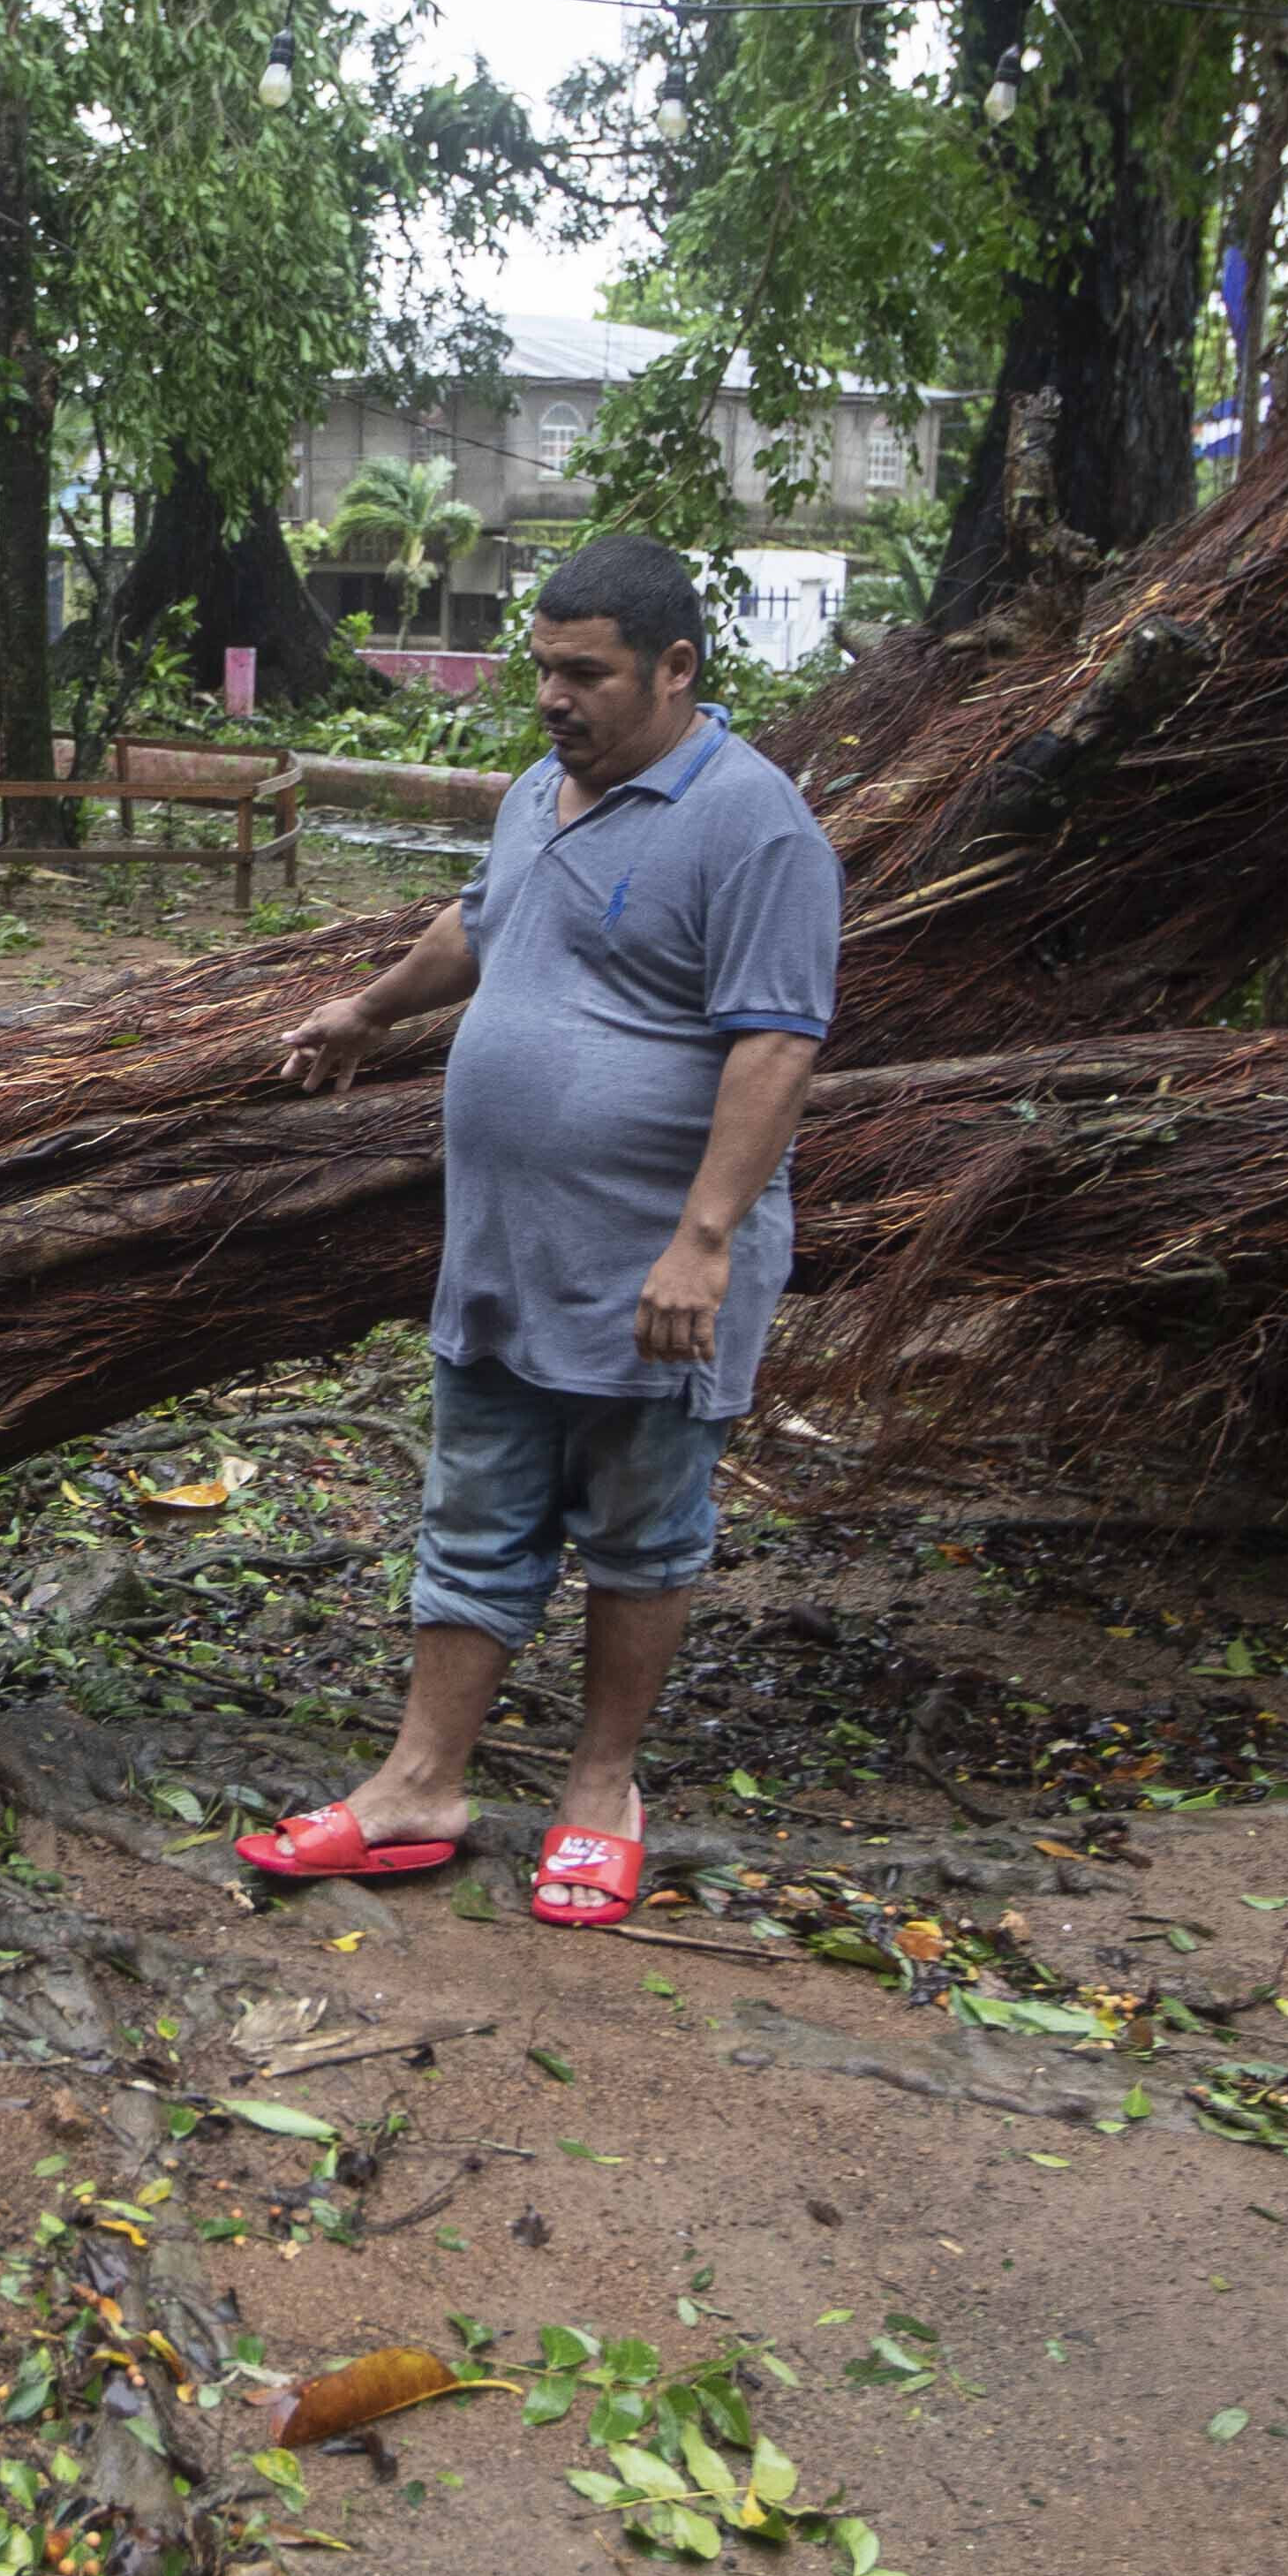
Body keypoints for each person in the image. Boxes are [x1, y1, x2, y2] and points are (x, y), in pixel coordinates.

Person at [237, 532, 840, 1930]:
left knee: (640, 1530)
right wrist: (370, 1010)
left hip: (654, 1275)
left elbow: (776, 1047)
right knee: (474, 1516)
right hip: (506, 1255)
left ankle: (598, 1792)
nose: (555, 699)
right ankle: (420, 1784)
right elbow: (484, 921)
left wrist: (703, 1240)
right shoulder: (537, 794)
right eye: (543, 672)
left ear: (678, 668)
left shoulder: (758, 828)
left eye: (588, 674)